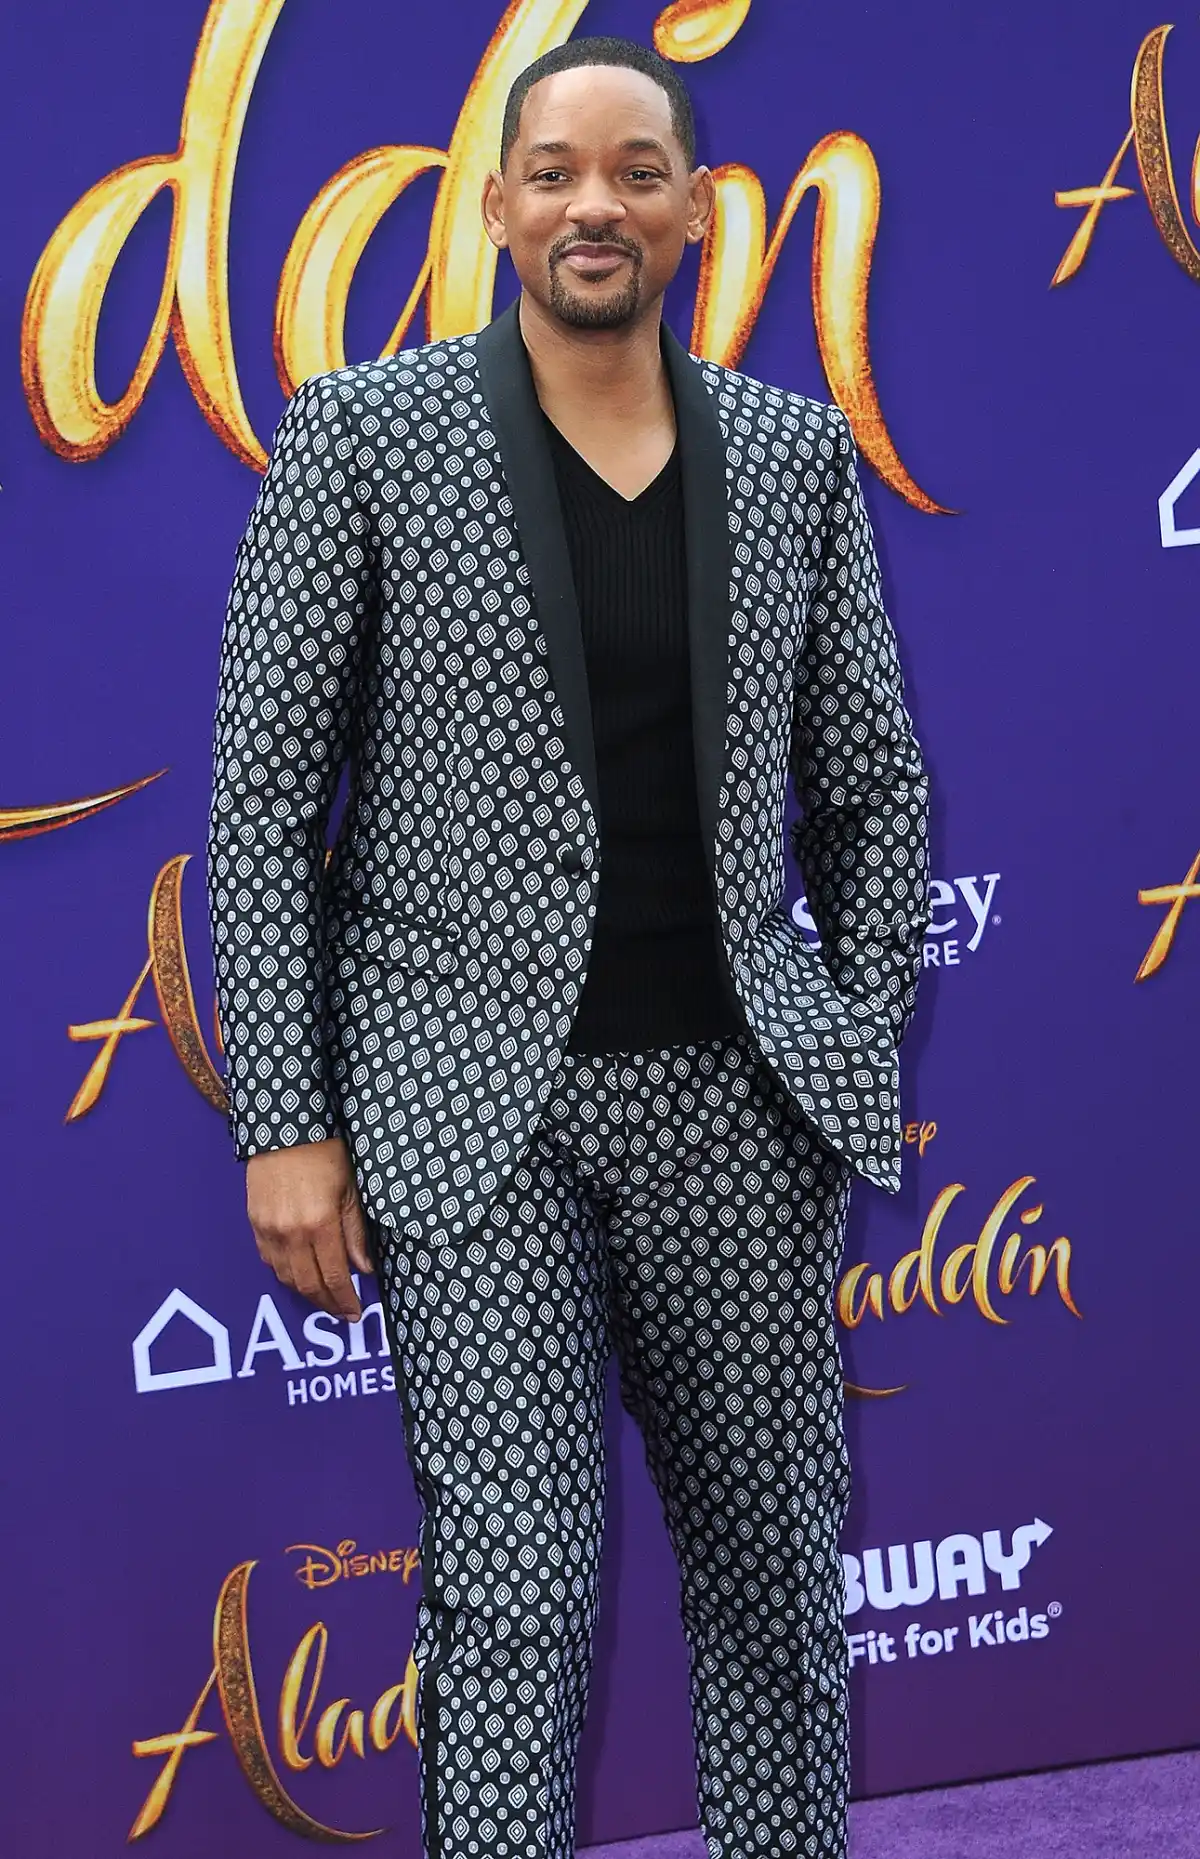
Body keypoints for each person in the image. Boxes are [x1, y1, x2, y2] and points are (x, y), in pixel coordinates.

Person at [206, 34, 930, 1859]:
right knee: (514, 1594)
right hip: (472, 1122)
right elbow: (264, 804)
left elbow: (872, 785)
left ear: (695, 213)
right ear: (498, 207)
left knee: (775, 1581)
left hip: (734, 1114)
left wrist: (844, 1036)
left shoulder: (792, 456)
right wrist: (286, 1120)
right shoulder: (364, 439)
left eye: (634, 171)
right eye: (555, 172)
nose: (593, 203)